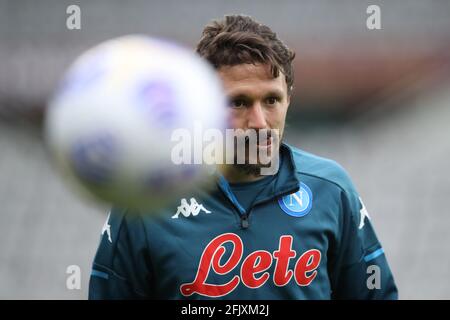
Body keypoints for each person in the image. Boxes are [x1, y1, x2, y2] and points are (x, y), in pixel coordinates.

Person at [89, 14, 398, 299]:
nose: (260, 122)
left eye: (272, 100)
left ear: (289, 98)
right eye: (238, 103)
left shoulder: (331, 190)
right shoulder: (146, 203)